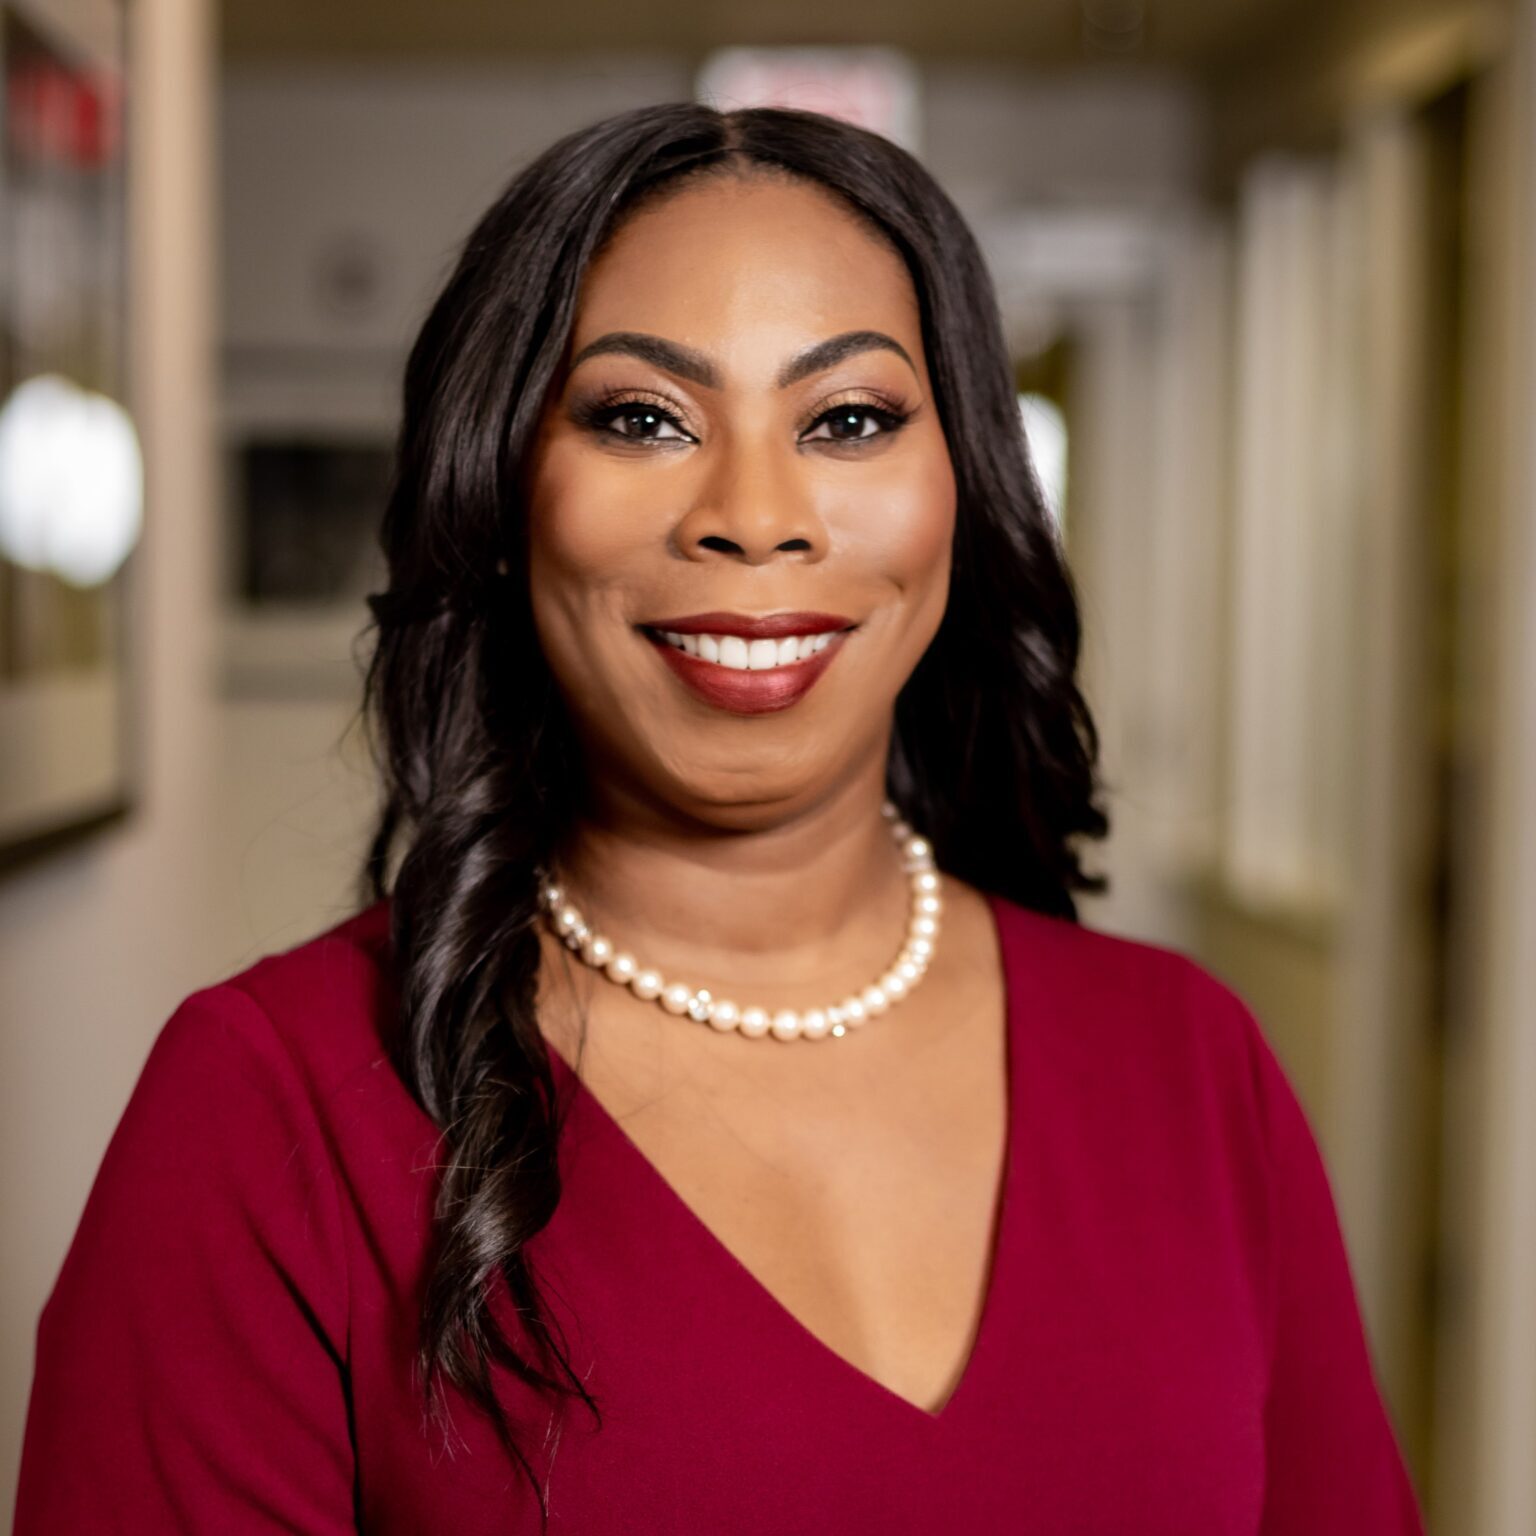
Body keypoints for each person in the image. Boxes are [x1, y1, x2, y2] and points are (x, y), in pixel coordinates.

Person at [14, 102, 1425, 1534]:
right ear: (506, 494)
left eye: (850, 419)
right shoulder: (266, 1110)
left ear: (965, 489)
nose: (755, 515)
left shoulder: (1195, 1070)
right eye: (642, 417)